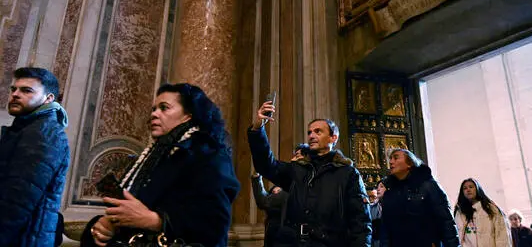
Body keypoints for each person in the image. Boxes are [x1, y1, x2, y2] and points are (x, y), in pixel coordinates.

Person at [80, 83, 240, 247]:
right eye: (153, 109)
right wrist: (102, 226)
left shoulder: (208, 154)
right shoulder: (152, 157)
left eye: (164, 108)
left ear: (188, 115)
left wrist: (155, 221)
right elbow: (133, 212)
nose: (154, 114)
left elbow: (215, 224)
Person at [248, 101, 371, 247]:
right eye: (309, 132)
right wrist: (257, 129)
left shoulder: (348, 174)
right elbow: (266, 166)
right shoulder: (298, 169)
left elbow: (360, 221)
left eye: (318, 131)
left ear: (333, 137)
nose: (311, 135)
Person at [0, 67, 70, 247]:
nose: (15, 94)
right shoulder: (27, 128)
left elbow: (17, 202)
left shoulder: (43, 133)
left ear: (49, 98)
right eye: (13, 89)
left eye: (26, 90)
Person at [382, 149, 459, 247]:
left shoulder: (428, 185)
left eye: (396, 158)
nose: (391, 162)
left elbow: (446, 221)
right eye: (391, 159)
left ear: (409, 163)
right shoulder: (390, 191)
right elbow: (386, 229)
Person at [252, 143, 309, 247]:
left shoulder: (295, 187)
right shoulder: (284, 185)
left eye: (297, 155)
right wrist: (257, 178)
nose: (292, 159)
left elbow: (264, 201)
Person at [454, 178, 511, 247]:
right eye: (465, 188)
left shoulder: (491, 209)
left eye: (471, 187)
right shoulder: (459, 213)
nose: (468, 190)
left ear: (477, 189)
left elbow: (502, 235)